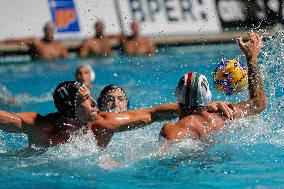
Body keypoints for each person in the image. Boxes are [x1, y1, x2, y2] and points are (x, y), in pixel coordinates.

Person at [0, 80, 235, 148]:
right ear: (70, 108)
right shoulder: (39, 126)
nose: (94, 102)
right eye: (85, 99)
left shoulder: (103, 123)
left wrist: (200, 105)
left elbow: (152, 114)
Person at [160, 32, 266, 143]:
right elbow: (258, 104)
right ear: (207, 97)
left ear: (177, 95)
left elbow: (161, 154)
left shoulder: (171, 130)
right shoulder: (223, 116)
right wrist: (252, 58)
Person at [3, 23, 69, 60]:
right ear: (44, 31)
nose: (49, 32)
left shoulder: (60, 45)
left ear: (53, 31)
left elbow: (67, 60)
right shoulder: (37, 42)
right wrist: (3, 42)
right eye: (47, 30)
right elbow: (19, 41)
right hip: (40, 68)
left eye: (51, 30)